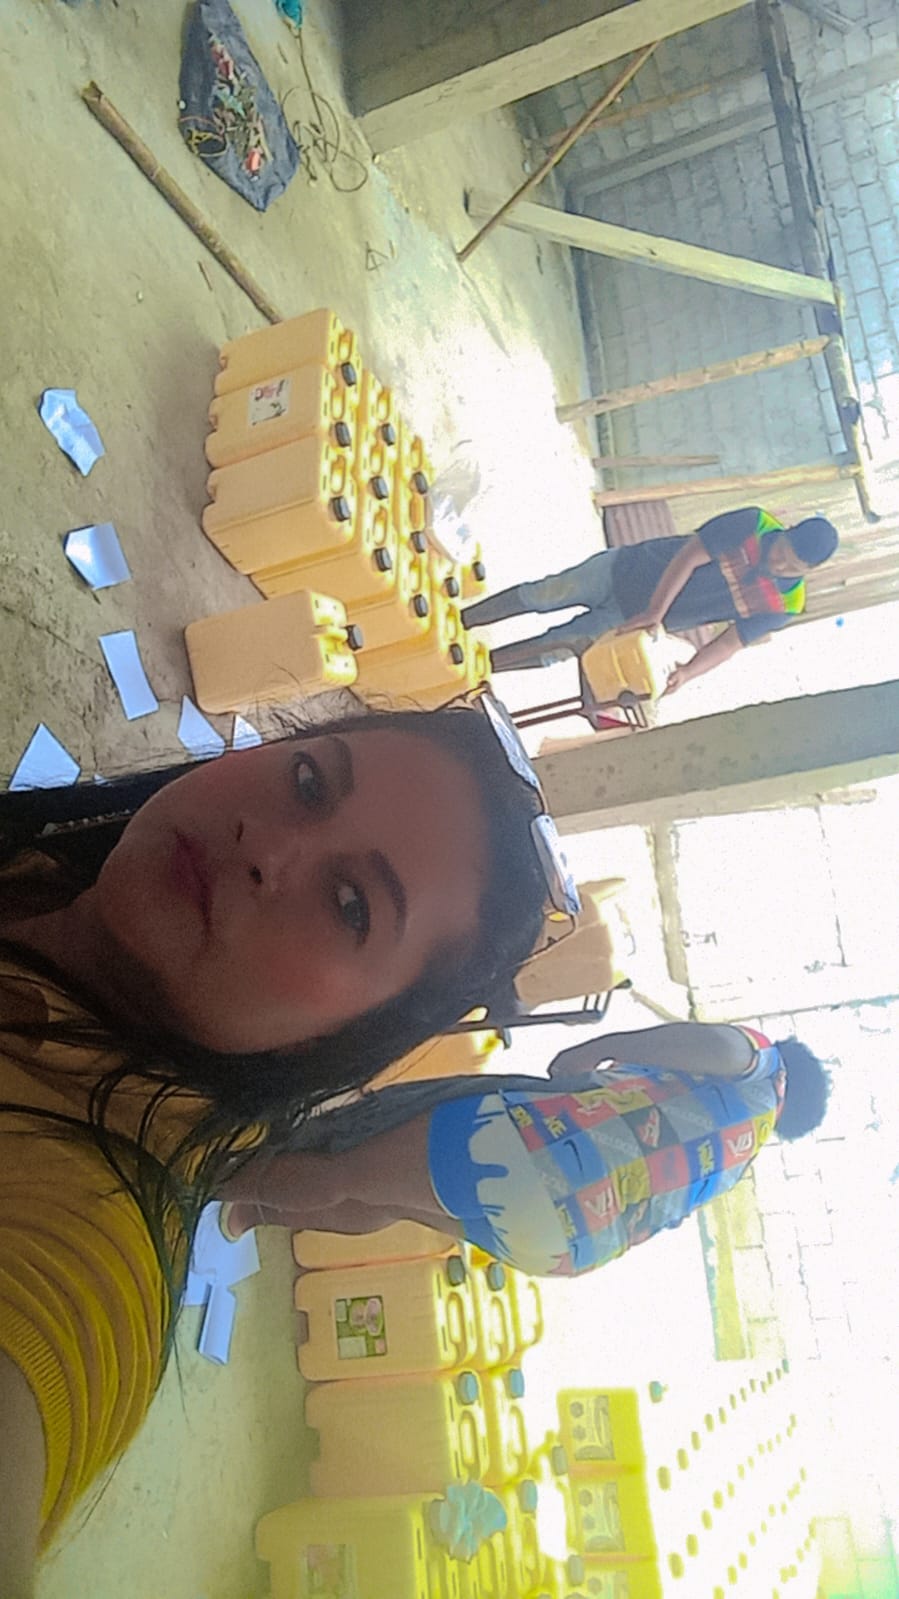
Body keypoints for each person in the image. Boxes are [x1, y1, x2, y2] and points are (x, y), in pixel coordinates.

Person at [0, 696, 553, 1589]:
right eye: (307, 783)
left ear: (342, 1039)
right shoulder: (43, 873)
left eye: (349, 904)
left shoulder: (86, 1242)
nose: (266, 850)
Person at [219, 1021, 831, 1280]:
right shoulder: (742, 1153)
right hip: (566, 1247)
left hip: (537, 1156)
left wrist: (601, 1047)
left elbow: (719, 1046)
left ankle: (208, 1181)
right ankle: (256, 1211)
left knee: (349, 1170)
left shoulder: (763, 1064)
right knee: (392, 1201)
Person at [461, 506, 839, 688]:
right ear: (786, 531)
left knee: (556, 648)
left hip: (631, 623)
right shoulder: (753, 523)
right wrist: (656, 610)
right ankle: (463, 619)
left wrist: (688, 672)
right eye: (782, 552)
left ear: (808, 571)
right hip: (624, 568)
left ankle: (469, 670)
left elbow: (730, 643)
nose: (779, 564)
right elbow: (690, 556)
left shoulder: (785, 607)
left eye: (793, 567)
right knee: (543, 594)